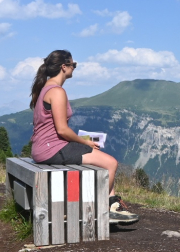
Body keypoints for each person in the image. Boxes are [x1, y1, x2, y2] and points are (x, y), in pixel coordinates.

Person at [29, 50, 139, 226]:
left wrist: (82, 141)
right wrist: (85, 142)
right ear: (64, 67)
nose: (74, 67)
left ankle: (113, 205)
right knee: (111, 163)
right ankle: (100, 208)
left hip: (44, 147)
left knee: (100, 158)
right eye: (74, 64)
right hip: (52, 149)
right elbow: (63, 130)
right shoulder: (57, 92)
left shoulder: (46, 88)